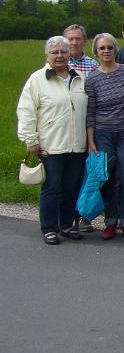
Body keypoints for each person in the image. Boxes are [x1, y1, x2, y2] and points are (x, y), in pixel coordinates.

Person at [17, 36, 88, 245]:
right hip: (51, 144)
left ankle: (66, 225)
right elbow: (26, 110)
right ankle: (49, 227)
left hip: (77, 144)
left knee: (71, 186)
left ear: (69, 55)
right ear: (47, 55)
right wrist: (31, 139)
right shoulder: (38, 79)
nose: (60, 56)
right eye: (55, 52)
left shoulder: (79, 77)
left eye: (64, 52)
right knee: (52, 186)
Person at [85, 33, 124, 240]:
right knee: (108, 180)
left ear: (116, 50)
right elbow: (90, 113)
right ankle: (110, 221)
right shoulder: (92, 79)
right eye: (101, 48)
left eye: (109, 47)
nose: (106, 51)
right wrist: (91, 142)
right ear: (96, 52)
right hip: (103, 134)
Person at [63, 23, 99, 232]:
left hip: (89, 126)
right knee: (67, 175)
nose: (74, 42)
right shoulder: (57, 63)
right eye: (70, 39)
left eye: (78, 38)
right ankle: (66, 216)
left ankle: (84, 215)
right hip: (65, 128)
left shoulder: (92, 65)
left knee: (88, 174)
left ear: (84, 41)